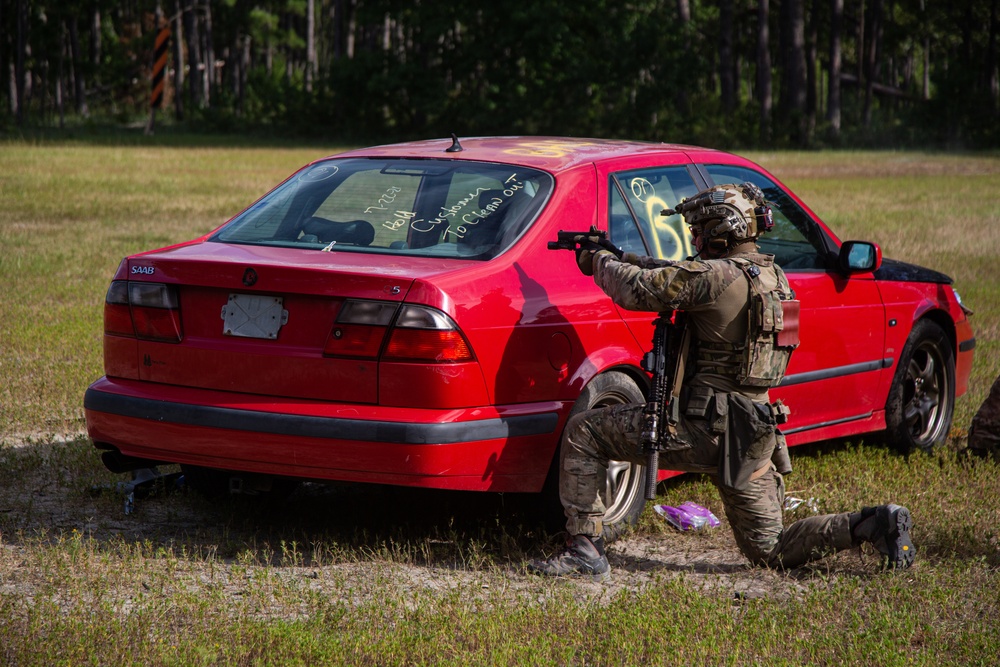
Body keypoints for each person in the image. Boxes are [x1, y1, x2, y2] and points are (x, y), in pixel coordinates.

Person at [529, 183, 915, 582]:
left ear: (719, 230)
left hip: (700, 429)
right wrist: (624, 254)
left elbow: (637, 290)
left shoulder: (713, 278)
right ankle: (868, 524)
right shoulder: (775, 279)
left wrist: (598, 261)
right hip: (753, 431)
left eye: (698, 231)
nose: (694, 239)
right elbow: (683, 277)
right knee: (771, 548)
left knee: (584, 431)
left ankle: (584, 549)